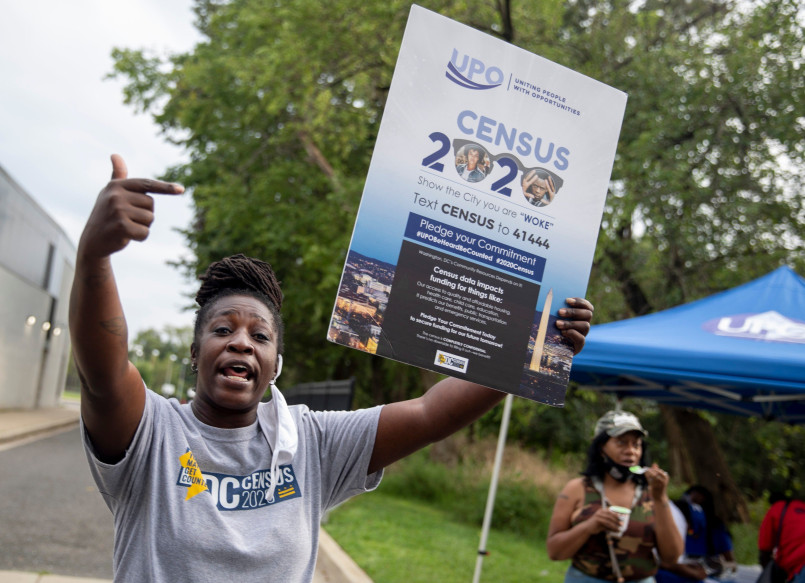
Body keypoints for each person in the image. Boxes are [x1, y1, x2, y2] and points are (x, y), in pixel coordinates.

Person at [69, 154, 595, 581]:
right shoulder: (153, 433)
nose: (242, 344)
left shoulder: (312, 444)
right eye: (222, 330)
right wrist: (94, 255)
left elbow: (432, 412)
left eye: (260, 336)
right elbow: (104, 370)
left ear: (276, 364)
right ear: (195, 352)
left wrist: (535, 348)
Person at [547, 410, 683, 582]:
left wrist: (660, 497)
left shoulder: (652, 492)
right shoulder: (577, 489)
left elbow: (672, 557)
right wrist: (589, 526)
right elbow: (554, 552)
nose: (631, 451)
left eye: (636, 444)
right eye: (621, 442)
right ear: (601, 448)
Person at [656, 485, 736, 583]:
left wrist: (716, 567)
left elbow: (731, 564)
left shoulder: (716, 530)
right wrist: (686, 569)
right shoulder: (667, 521)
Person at [757, 494, 805, 583]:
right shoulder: (801, 506)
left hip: (801, 566)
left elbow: (764, 550)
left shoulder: (777, 508)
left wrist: (768, 575)